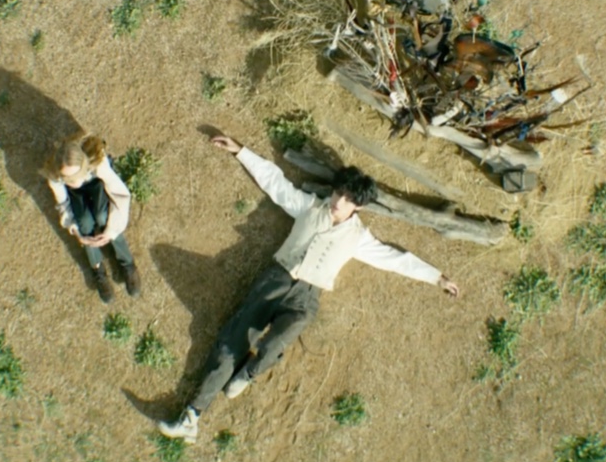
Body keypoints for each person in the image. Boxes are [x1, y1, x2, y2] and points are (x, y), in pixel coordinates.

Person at [156, 134, 460, 441]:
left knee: (275, 344)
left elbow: (395, 259)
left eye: (348, 199)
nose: (339, 202)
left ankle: (248, 373)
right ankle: (191, 417)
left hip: (305, 299)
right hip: (275, 281)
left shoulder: (358, 238)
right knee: (231, 343)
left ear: (358, 207)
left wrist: (437, 278)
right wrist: (240, 151)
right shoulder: (309, 207)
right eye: (338, 193)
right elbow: (275, 183)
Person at [42, 131, 140, 302]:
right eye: (67, 179)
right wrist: (77, 234)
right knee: (84, 224)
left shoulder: (99, 164)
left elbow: (120, 196)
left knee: (103, 217)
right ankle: (98, 269)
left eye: (75, 176)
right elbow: (64, 205)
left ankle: (127, 262)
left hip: (96, 185)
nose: (73, 182)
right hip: (76, 196)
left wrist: (111, 231)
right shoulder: (55, 177)